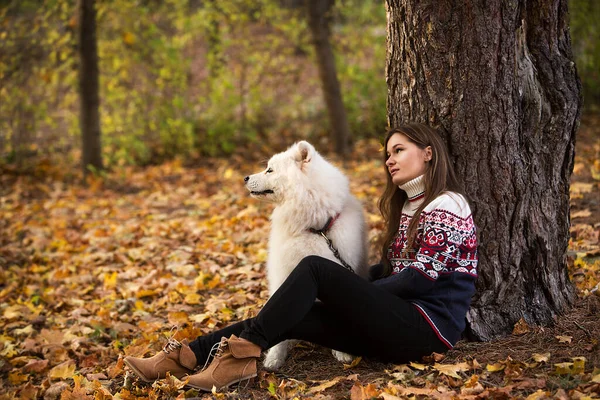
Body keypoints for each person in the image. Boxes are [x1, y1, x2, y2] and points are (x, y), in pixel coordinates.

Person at [123, 123, 479, 392]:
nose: (390, 159)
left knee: (314, 268)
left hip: (426, 331)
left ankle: (238, 359)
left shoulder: (447, 204)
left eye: (399, 150)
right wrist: (352, 292)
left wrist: (350, 292)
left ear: (428, 153)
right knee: (293, 311)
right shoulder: (410, 207)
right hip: (393, 328)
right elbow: (392, 272)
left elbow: (419, 279)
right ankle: (186, 356)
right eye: (388, 153)